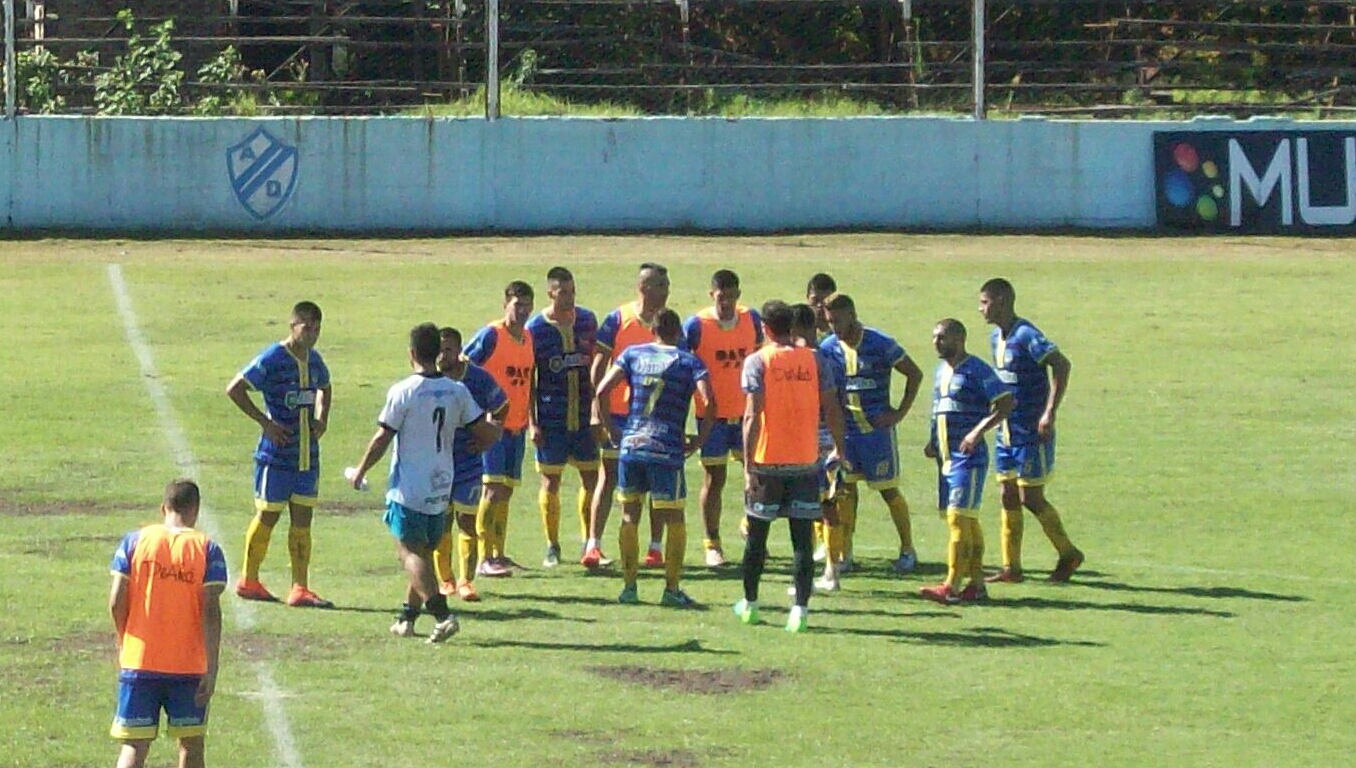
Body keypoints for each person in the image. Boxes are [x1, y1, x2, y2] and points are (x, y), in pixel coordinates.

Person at [349, 323, 501, 643]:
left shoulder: (404, 391)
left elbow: (382, 437)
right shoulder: (457, 390)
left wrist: (360, 471)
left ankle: (443, 615)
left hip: (410, 486)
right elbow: (484, 429)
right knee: (424, 551)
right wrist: (487, 442)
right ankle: (407, 617)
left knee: (408, 553)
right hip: (442, 483)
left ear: (413, 354)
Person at [733, 301, 847, 633]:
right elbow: (833, 406)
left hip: (768, 462)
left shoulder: (758, 361)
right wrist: (839, 446)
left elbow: (752, 415)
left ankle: (751, 604)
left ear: (765, 327)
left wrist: (748, 462)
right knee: (802, 540)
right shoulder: (814, 360)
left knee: (757, 537)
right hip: (805, 461)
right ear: (793, 328)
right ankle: (800, 611)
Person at [594, 309, 714, 606]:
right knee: (674, 517)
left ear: (654, 330)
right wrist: (699, 440)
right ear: (678, 333)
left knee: (629, 515)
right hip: (666, 448)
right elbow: (709, 401)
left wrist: (613, 430)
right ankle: (671, 590)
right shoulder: (688, 361)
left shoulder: (633, 354)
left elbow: (601, 390)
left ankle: (629, 588)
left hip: (632, 445)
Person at [108, 478, 226, 768]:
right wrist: (212, 667)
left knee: (134, 747)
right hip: (188, 668)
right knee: (191, 745)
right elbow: (211, 612)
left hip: (140, 660)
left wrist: (126, 640)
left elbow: (115, 601)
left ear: (164, 507)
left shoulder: (134, 542)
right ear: (195, 510)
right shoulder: (207, 549)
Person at [225, 300, 333, 608]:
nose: (311, 334)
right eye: (306, 328)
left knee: (303, 520)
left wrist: (322, 419)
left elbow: (326, 387)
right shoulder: (273, 358)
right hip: (276, 456)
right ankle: (249, 580)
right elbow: (235, 389)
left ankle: (300, 587)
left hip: (307, 457)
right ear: (292, 326)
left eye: (316, 329)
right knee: (268, 515)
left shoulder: (315, 361)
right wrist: (266, 423)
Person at [979, 278, 1085, 583]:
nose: (980, 308)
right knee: (1007, 494)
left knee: (1031, 497)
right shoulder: (995, 338)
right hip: (1006, 431)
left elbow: (1061, 365)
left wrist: (1049, 412)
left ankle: (1069, 553)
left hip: (1030, 430)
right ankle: (1011, 568)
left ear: (1001, 301)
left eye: (985, 302)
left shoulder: (1027, 335)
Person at [819, 293, 925, 575]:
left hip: (876, 435)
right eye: (829, 322)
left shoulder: (880, 343)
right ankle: (845, 552)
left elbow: (914, 374)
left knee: (888, 490)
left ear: (852, 315)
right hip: (847, 435)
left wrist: (899, 413)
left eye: (838, 321)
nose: (834, 328)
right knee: (844, 493)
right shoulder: (828, 348)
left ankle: (907, 549)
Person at [919, 319, 1013, 604]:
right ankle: (977, 585)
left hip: (968, 458)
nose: (936, 342)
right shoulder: (940, 371)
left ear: (959, 339)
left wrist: (976, 432)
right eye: (934, 337)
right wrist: (933, 440)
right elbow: (939, 409)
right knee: (967, 521)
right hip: (946, 458)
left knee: (958, 517)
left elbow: (1006, 403)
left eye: (942, 337)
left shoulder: (977, 369)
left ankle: (951, 585)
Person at [585, 262, 671, 568]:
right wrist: (597, 410)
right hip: (620, 414)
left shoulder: (669, 324)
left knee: (655, 480)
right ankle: (593, 544)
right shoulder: (618, 318)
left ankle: (655, 547)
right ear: (644, 287)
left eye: (667, 284)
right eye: (661, 284)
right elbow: (599, 364)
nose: (666, 290)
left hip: (656, 417)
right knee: (608, 476)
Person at [681, 269, 764, 567]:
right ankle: (712, 544)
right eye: (720, 297)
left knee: (758, 475)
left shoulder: (751, 320)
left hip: (746, 415)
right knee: (714, 479)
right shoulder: (697, 325)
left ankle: (750, 526)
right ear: (711, 295)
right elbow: (682, 362)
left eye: (731, 297)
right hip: (711, 417)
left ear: (738, 295)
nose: (726, 303)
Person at [526, 266, 603, 568]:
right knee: (550, 481)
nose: (569, 297)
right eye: (563, 292)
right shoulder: (537, 329)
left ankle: (590, 544)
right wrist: (533, 422)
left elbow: (598, 366)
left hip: (584, 416)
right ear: (551, 293)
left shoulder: (587, 321)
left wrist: (598, 411)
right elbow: (530, 378)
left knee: (591, 477)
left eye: (572, 291)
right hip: (551, 417)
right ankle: (552, 545)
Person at [464, 281, 536, 576]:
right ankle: (482, 557)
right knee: (491, 489)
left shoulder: (528, 338)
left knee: (506, 490)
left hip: (516, 425)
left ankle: (498, 552)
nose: (522, 311)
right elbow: (464, 366)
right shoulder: (492, 335)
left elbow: (528, 381)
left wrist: (530, 419)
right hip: (492, 426)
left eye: (527, 305)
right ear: (505, 304)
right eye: (517, 304)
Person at [434, 327, 508, 601]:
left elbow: (501, 406)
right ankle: (445, 580)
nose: (443, 356)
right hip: (438, 463)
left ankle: (466, 581)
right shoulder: (430, 379)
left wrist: (491, 436)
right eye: (439, 350)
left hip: (468, 463)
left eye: (449, 349)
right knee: (441, 524)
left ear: (459, 350)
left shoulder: (477, 378)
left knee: (466, 521)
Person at [790, 303, 847, 592]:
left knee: (805, 509)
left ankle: (810, 576)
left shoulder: (801, 361)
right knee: (829, 507)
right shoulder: (831, 357)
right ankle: (831, 571)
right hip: (829, 440)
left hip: (807, 442)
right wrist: (840, 445)